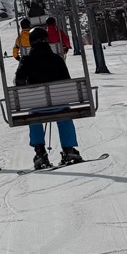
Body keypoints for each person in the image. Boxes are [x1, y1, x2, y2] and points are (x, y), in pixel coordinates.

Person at [14, 26, 84, 169]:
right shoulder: (57, 59)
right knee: (64, 114)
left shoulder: (26, 60)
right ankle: (68, 150)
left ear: (31, 42)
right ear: (47, 40)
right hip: (59, 105)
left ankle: (40, 153)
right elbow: (67, 81)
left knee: (34, 115)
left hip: (37, 107)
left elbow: (19, 81)